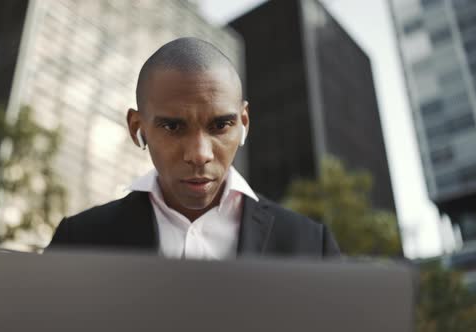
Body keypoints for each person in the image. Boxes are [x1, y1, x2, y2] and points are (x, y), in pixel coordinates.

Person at [47, 37, 340, 259]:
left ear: (244, 123)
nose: (199, 154)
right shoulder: (78, 239)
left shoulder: (312, 244)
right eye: (173, 127)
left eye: (220, 125)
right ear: (138, 128)